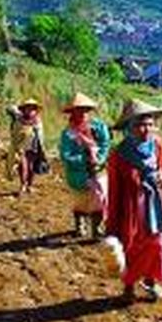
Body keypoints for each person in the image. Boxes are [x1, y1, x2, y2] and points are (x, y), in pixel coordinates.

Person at [106, 100, 162, 303]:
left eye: (150, 124)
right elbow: (114, 189)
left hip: (154, 206)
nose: (146, 129)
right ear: (129, 127)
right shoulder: (119, 155)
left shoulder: (157, 145)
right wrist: (112, 221)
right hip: (131, 209)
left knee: (158, 245)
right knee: (132, 246)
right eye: (140, 125)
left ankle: (151, 281)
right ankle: (128, 287)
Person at [59, 92, 111, 237]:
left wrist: (99, 158)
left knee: (99, 199)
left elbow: (105, 144)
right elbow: (66, 155)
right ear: (72, 112)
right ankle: (80, 225)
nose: (82, 113)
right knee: (80, 201)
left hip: (98, 170)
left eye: (85, 109)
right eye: (78, 110)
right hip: (78, 173)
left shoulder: (98, 127)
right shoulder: (68, 133)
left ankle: (96, 228)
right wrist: (84, 159)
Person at [7, 98, 45, 195]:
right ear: (24, 110)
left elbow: (40, 136)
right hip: (22, 147)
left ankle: (29, 185)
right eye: (28, 108)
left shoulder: (38, 122)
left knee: (31, 167)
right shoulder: (19, 121)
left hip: (33, 146)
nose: (30, 111)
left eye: (32, 109)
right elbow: (15, 135)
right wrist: (16, 148)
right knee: (23, 166)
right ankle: (23, 185)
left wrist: (41, 149)